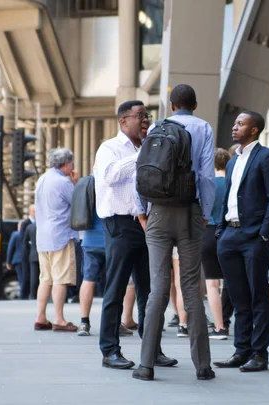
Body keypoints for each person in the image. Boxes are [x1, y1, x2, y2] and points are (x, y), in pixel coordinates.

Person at [134, 84, 215, 381]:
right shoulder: (203, 127)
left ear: (171, 105)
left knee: (158, 288)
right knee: (191, 288)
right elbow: (205, 175)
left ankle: (145, 365)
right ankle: (202, 366)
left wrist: (142, 210)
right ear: (194, 104)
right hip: (189, 212)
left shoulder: (157, 127)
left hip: (157, 212)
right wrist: (205, 213)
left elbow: (140, 171)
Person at [94, 100, 173, 370]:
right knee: (115, 289)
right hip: (120, 225)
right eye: (140, 116)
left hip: (148, 225)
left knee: (149, 291)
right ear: (123, 121)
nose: (145, 121)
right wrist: (141, 156)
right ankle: (110, 350)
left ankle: (152, 349)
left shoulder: (147, 148)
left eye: (147, 116)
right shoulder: (110, 148)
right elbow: (111, 176)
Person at [214, 111, 269, 373]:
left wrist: (264, 234)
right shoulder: (233, 162)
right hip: (229, 237)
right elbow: (229, 197)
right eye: (235, 123)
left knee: (258, 297)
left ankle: (259, 354)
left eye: (240, 124)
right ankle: (241, 351)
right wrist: (221, 230)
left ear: (253, 130)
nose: (234, 127)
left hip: (254, 237)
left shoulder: (267, 157)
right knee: (238, 297)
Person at [34, 148, 79, 332]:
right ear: (67, 164)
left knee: (45, 279)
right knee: (61, 278)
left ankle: (41, 317)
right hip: (60, 234)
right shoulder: (63, 182)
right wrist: (75, 183)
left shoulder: (42, 179)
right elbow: (77, 203)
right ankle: (59, 319)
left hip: (43, 236)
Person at [204, 148, 231, 340]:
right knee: (231, 280)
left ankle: (219, 327)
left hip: (207, 233)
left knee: (212, 284)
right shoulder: (232, 183)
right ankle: (228, 319)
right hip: (229, 232)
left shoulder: (207, 184)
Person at [77, 193, 107, 337]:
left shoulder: (88, 182)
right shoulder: (114, 176)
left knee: (88, 280)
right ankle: (115, 322)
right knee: (116, 282)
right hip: (111, 238)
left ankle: (84, 323)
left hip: (90, 239)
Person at [7, 222, 25, 299]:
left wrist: (8, 261)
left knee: (21, 278)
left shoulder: (15, 234)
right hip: (26, 259)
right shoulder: (26, 234)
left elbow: (10, 248)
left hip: (17, 259)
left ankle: (22, 295)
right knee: (25, 277)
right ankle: (24, 294)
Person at [22, 220, 40, 300]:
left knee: (33, 276)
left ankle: (33, 295)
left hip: (33, 254)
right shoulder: (43, 226)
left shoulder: (30, 227)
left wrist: (29, 251)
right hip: (44, 253)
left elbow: (25, 242)